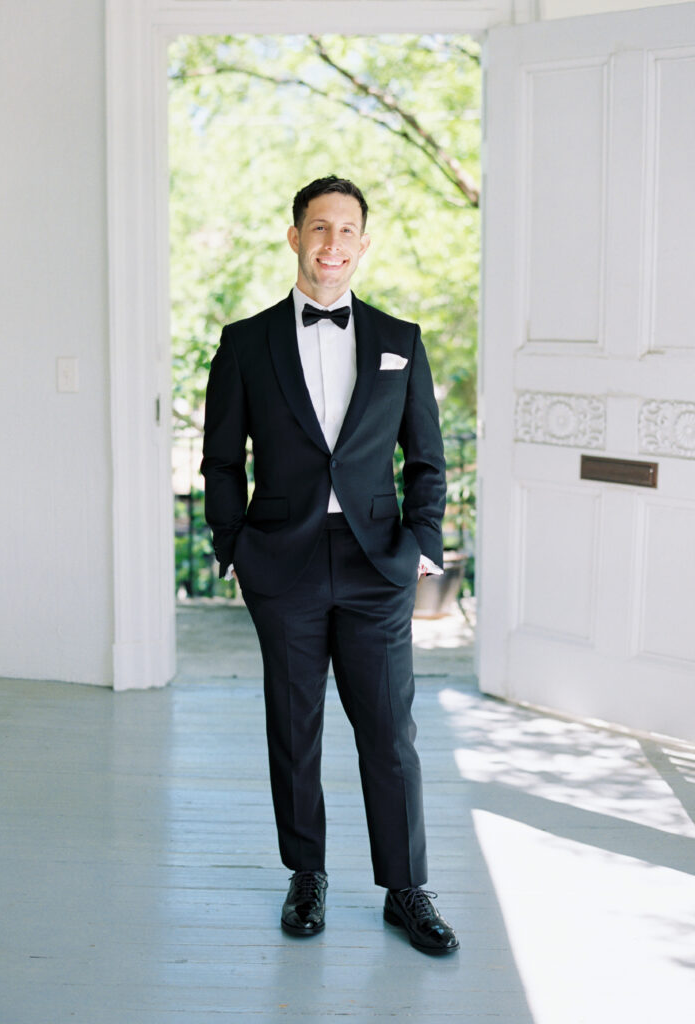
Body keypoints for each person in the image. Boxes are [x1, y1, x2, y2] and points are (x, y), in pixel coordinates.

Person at [201, 175, 459, 955]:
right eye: (319, 228)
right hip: (281, 563)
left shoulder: (399, 340)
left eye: (347, 231)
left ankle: (406, 889)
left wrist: (419, 542)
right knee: (295, 728)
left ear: (363, 244)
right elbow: (220, 460)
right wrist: (231, 546)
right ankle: (305, 874)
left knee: (389, 733)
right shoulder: (245, 343)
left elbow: (428, 460)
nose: (332, 245)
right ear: (294, 238)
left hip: (375, 561)